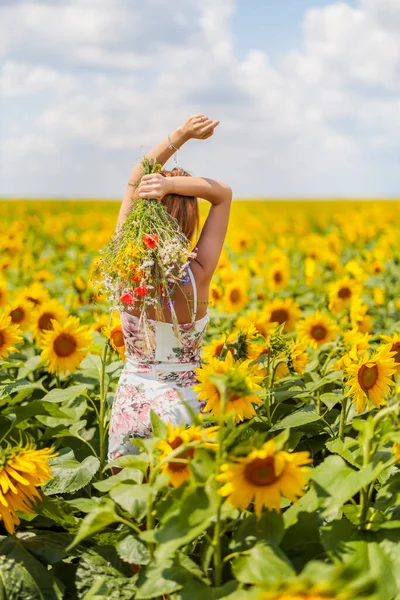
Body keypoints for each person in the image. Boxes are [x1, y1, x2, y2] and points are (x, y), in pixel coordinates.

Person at [108, 114, 232, 462]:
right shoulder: (198, 274)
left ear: (144, 213)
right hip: (187, 411)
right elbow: (223, 195)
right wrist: (174, 187)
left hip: (133, 406)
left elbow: (136, 177)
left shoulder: (125, 264)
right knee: (186, 513)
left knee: (130, 506)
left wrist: (180, 135)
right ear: (191, 219)